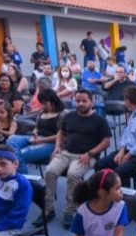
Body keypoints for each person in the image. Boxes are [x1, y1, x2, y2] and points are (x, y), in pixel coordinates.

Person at [43, 89, 111, 228]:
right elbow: (61, 133)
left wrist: (91, 153)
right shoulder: (70, 116)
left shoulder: (99, 120)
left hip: (86, 156)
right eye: (78, 101)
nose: (80, 104)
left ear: (91, 102)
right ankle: (48, 209)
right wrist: (57, 147)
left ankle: (70, 211)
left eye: (84, 101)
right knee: (49, 171)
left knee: (73, 174)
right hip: (66, 153)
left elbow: (106, 142)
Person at [94, 86, 136, 187]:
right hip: (130, 150)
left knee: (119, 172)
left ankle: (124, 199)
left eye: (124, 99)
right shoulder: (134, 113)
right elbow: (126, 133)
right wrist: (121, 151)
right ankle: (106, 195)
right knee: (100, 164)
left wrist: (127, 156)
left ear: (128, 100)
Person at [7, 88, 64, 174]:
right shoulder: (42, 112)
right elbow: (36, 127)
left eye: (45, 103)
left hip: (51, 143)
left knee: (22, 155)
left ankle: (22, 180)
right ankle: (14, 163)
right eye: (42, 103)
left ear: (53, 101)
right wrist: (35, 132)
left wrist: (40, 140)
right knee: (11, 139)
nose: (43, 106)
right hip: (37, 138)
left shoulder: (63, 114)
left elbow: (62, 135)